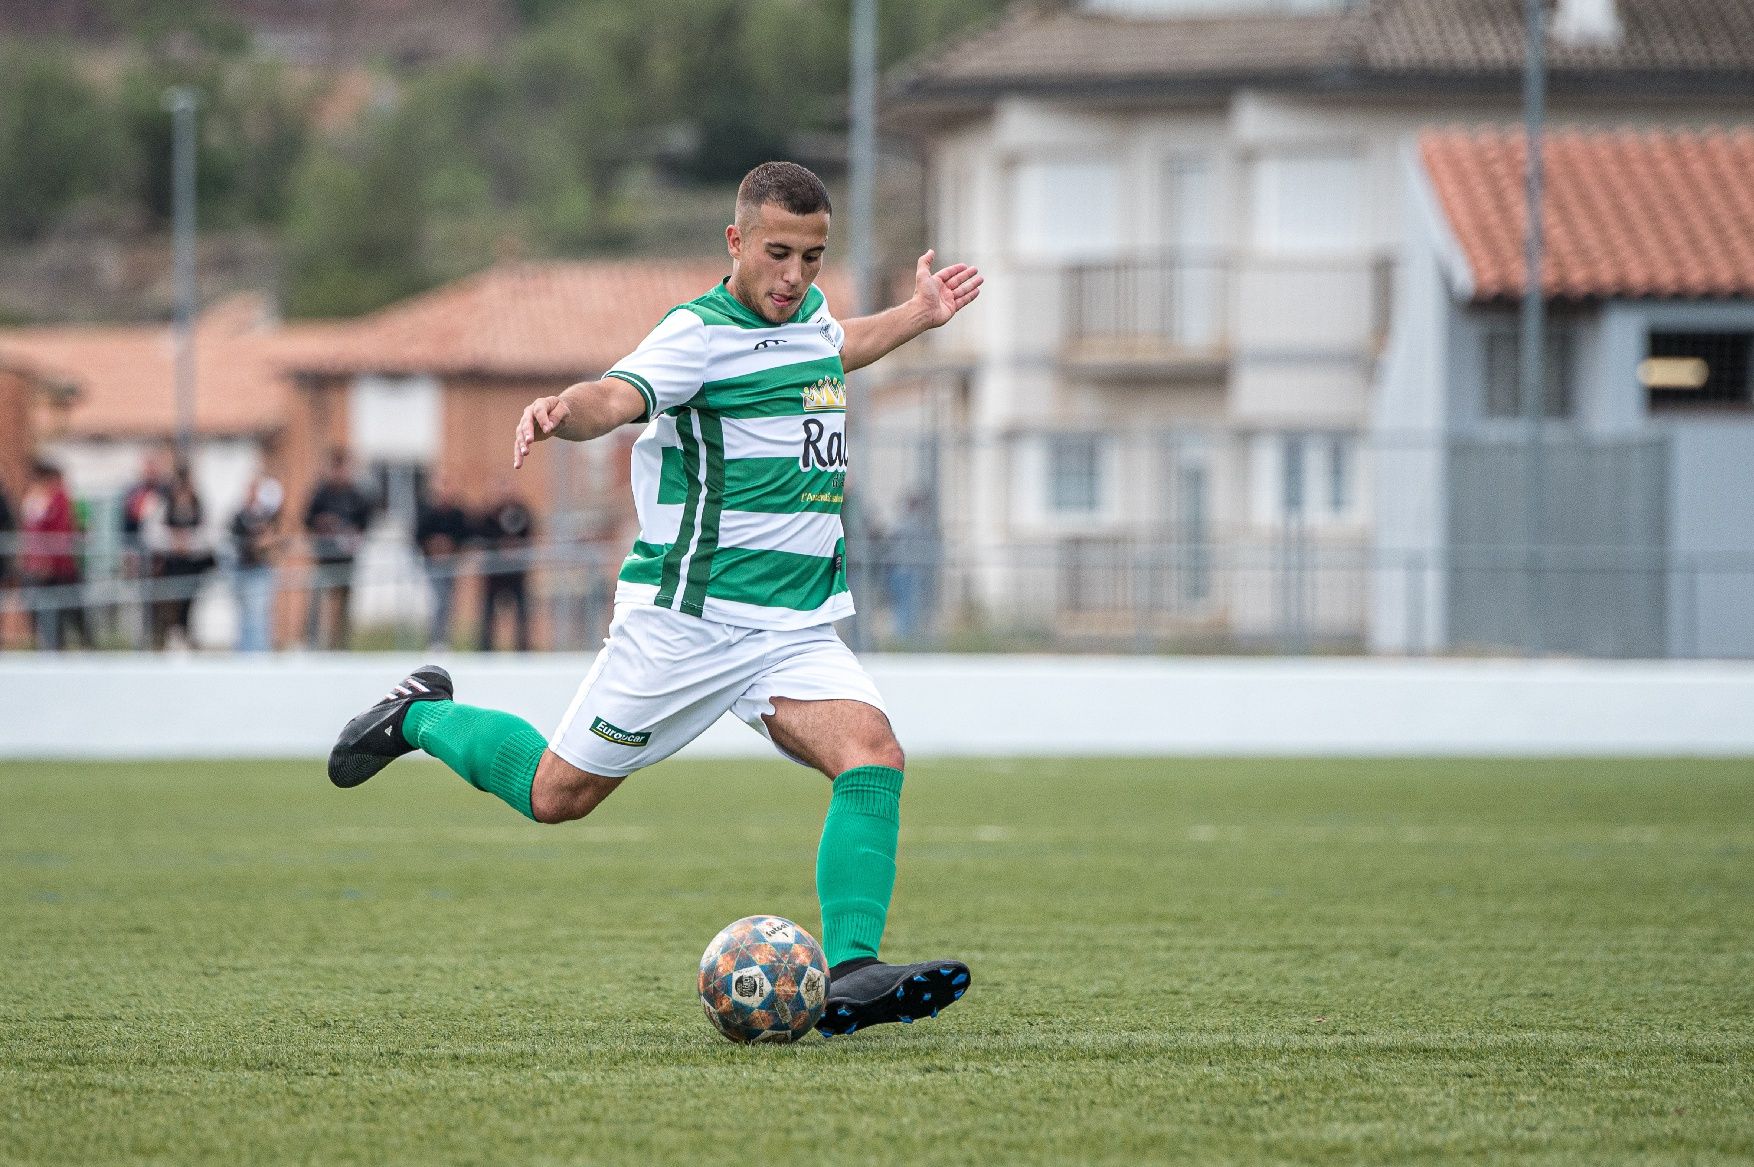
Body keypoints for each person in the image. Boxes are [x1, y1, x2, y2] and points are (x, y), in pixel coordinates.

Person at [326, 162, 983, 1036]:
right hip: (687, 623)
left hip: (793, 625)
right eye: (778, 254)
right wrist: (566, 408)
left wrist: (917, 315)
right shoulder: (695, 336)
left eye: (814, 258)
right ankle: (416, 716)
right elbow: (619, 394)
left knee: (873, 754)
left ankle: (854, 971)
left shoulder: (808, 315)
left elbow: (831, 346)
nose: (795, 277)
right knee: (556, 793)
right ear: (736, 242)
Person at [302, 449, 372, 650]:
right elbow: (307, 519)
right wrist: (323, 524)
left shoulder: (355, 495)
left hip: (346, 559)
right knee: (316, 601)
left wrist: (351, 532)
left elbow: (365, 521)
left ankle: (340, 646)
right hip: (324, 559)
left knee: (344, 605)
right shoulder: (321, 493)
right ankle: (311, 644)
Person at [19, 460, 90, 650]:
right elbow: (33, 534)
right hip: (39, 569)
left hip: (61, 569)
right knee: (43, 615)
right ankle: (52, 648)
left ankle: (85, 649)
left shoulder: (59, 499)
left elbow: (60, 530)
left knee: (73, 613)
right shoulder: (35, 500)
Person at [143, 462, 211, 650]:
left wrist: (189, 543)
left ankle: (186, 636)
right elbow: (151, 532)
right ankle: (169, 637)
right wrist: (172, 541)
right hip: (171, 564)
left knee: (189, 604)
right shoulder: (165, 504)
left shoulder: (199, 504)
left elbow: (210, 533)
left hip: (193, 564)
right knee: (169, 603)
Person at [475, 478, 535, 652]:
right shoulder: (489, 514)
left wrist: (515, 548)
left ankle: (523, 650)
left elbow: (529, 535)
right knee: (488, 614)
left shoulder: (522, 512)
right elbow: (483, 537)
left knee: (522, 613)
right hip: (494, 574)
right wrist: (499, 547)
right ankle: (485, 650)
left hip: (516, 574)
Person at [414, 473, 470, 650]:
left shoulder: (457, 513)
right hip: (433, 564)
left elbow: (465, 536)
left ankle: (445, 640)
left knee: (448, 602)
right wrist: (433, 547)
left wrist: (451, 547)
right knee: (437, 601)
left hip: (451, 564)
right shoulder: (427, 512)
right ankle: (435, 640)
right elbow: (418, 536)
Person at [230, 474, 284, 653]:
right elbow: (239, 539)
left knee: (259, 616)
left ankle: (259, 655)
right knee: (245, 617)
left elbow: (275, 541)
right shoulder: (241, 516)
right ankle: (244, 654)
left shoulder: (267, 515)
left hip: (260, 571)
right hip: (243, 570)